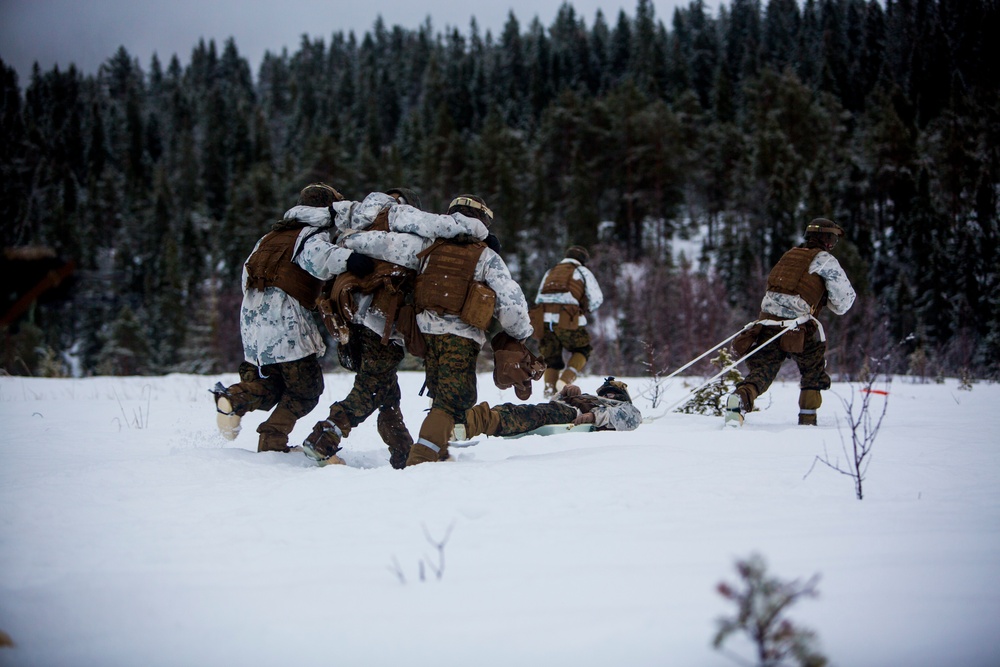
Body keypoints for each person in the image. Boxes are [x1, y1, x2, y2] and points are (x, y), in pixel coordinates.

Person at [339, 194, 534, 466]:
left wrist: (346, 242)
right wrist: (521, 333)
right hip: (461, 335)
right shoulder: (486, 256)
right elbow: (512, 305)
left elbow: (382, 244)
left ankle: (438, 452)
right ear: (484, 221)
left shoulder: (427, 244)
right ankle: (422, 460)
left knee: (440, 391)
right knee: (454, 400)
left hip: (423, 332)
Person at [210, 183, 357, 453]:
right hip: (285, 320)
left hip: (253, 319)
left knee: (274, 383)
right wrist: (354, 260)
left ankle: (235, 398)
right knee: (306, 390)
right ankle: (272, 438)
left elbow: (245, 276)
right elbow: (321, 260)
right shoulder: (312, 235)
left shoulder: (269, 237)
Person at [298, 189, 422, 469]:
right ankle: (324, 437)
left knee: (387, 392)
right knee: (371, 388)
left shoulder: (357, 226)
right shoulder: (405, 234)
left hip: (350, 315)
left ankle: (404, 453)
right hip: (382, 322)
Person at [726, 218, 856, 427]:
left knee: (763, 371)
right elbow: (843, 304)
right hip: (800, 329)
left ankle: (740, 399)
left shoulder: (789, 255)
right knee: (813, 370)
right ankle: (807, 419)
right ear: (829, 240)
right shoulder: (825, 260)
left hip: (766, 324)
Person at [456, 377, 641, 439]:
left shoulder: (625, 408)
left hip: (570, 415)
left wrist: (593, 417)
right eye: (605, 393)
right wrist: (565, 393)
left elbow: (632, 419)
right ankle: (469, 418)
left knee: (527, 414)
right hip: (558, 408)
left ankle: (473, 423)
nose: (607, 396)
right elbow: (557, 401)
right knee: (516, 409)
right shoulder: (594, 398)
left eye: (611, 394)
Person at [532, 245, 604, 396]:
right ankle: (564, 381)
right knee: (582, 349)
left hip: (543, 319)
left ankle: (549, 388)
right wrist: (584, 308)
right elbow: (597, 299)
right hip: (567, 318)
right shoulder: (582, 271)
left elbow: (538, 297)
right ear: (583, 260)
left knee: (551, 357)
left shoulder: (550, 271)